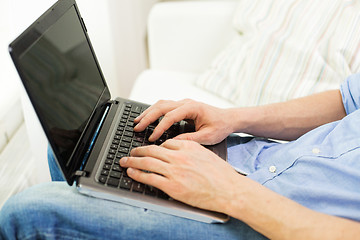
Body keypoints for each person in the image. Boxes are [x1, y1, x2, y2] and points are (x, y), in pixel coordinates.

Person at [1, 73, 360, 240]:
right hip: (254, 160)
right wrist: (232, 117)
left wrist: (231, 193)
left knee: (29, 213)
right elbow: (347, 102)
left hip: (272, 222)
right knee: (83, 141)